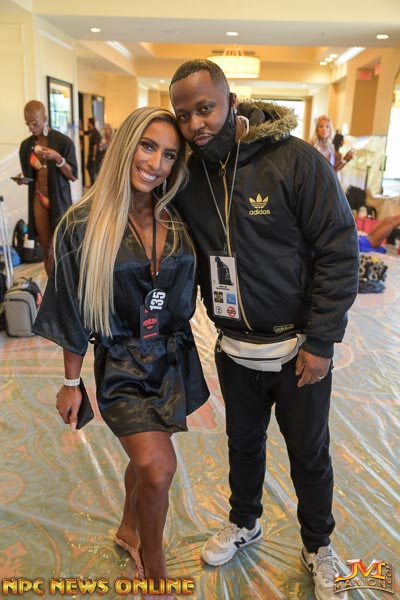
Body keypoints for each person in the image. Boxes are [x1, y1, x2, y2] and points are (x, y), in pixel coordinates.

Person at [169, 60, 359, 600]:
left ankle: (318, 545)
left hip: (299, 350)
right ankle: (244, 521)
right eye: (184, 115)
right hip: (235, 349)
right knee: (243, 444)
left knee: (309, 453)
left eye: (205, 108)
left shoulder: (293, 160)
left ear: (232, 103)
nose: (195, 124)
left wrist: (321, 340)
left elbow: (339, 250)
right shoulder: (190, 177)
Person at [32, 107, 209, 592]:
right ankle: (154, 565)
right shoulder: (82, 224)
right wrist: (71, 382)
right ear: (126, 145)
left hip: (172, 358)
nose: (156, 163)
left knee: (146, 460)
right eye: (148, 146)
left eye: (168, 154)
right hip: (122, 363)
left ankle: (130, 529)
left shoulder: (176, 218)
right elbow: (70, 305)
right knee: (158, 466)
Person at [15, 100, 77, 275]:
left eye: (35, 123)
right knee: (46, 247)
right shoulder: (26, 146)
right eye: (28, 124)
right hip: (38, 198)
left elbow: (73, 176)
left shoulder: (63, 142)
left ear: (45, 118)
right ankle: (51, 283)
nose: (31, 128)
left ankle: (67, 282)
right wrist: (22, 179)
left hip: (59, 199)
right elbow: (30, 175)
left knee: (63, 245)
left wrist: (58, 158)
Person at [84, 117, 102, 185]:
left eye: (87, 122)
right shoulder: (90, 131)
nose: (86, 124)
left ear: (90, 123)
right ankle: (92, 184)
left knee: (92, 169)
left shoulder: (95, 133)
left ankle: (94, 184)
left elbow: (95, 146)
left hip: (94, 155)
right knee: (89, 167)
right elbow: (84, 132)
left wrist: (94, 156)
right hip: (91, 154)